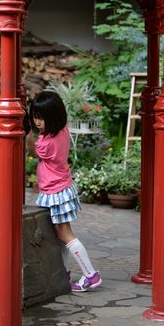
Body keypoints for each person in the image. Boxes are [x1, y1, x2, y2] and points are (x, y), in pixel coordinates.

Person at [29, 90, 101, 292]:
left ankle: (90, 275)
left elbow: (32, 150)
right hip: (61, 188)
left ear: (53, 117)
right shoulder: (62, 131)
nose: (37, 122)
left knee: (66, 235)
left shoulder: (45, 143)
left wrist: (26, 133)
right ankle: (63, 272)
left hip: (55, 192)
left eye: (41, 118)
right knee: (59, 236)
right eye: (35, 117)